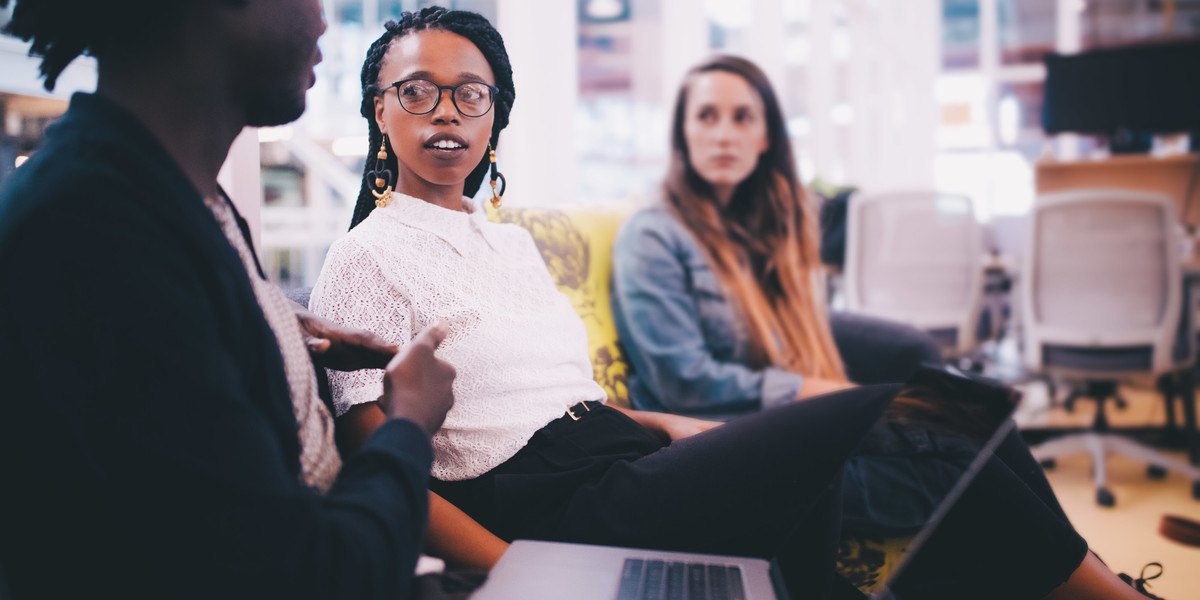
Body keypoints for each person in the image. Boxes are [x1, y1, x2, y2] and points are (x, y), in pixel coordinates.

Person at [308, 8, 914, 599]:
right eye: (417, 91)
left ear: (494, 116)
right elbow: (377, 457)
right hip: (553, 505)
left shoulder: (512, 242)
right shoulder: (365, 257)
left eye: (471, 94)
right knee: (824, 439)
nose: (446, 110)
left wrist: (663, 423)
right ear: (379, 109)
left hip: (618, 458)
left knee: (850, 472)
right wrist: (520, 569)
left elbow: (567, 399)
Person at [609, 54, 1158, 599]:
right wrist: (830, 396)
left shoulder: (757, 233)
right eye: (706, 116)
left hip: (778, 422)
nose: (723, 134)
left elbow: (784, 337)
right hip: (722, 441)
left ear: (765, 138)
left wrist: (842, 394)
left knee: (966, 405)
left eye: (742, 117)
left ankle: (1096, 575)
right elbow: (686, 382)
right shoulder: (654, 237)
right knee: (954, 453)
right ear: (682, 133)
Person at [0, 1, 456, 599]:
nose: (323, 20)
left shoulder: (165, 192)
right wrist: (409, 423)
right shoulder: (95, 235)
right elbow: (308, 576)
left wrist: (277, 334)